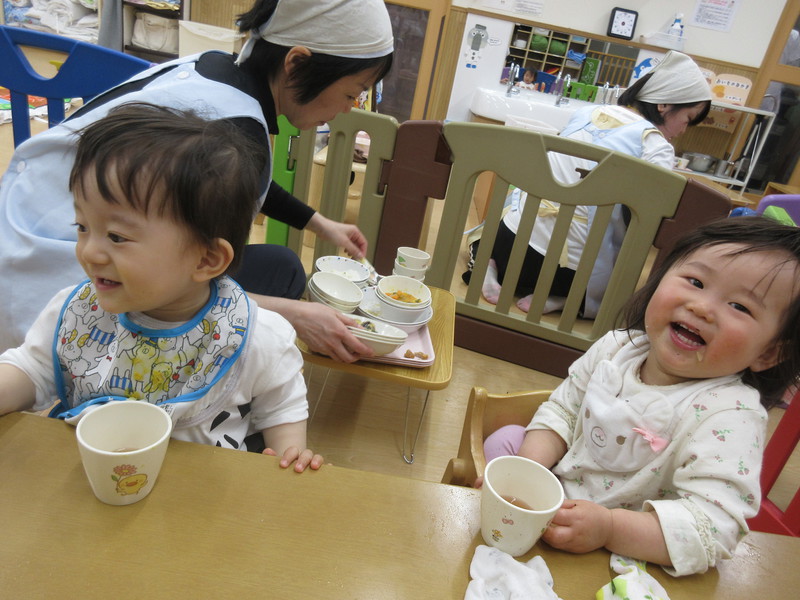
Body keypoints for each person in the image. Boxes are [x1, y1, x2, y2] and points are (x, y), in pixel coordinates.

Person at [0, 0, 393, 363]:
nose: (346, 110)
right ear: (297, 62)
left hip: (20, 243)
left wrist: (319, 223)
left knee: (277, 264)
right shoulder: (237, 129)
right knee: (283, 270)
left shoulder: (215, 69)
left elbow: (224, 179)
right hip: (61, 300)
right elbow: (189, 280)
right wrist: (296, 314)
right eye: (351, 93)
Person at [0, 103, 323, 472]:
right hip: (90, 489)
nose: (89, 251)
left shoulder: (255, 337)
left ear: (205, 260)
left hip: (198, 503)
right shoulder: (75, 311)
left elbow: (282, 406)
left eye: (117, 236)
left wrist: (289, 454)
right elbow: (32, 367)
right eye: (82, 226)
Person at [478, 216, 800, 576]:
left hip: (622, 552)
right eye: (695, 281)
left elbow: (714, 526)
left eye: (740, 306)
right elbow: (564, 411)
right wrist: (529, 471)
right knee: (507, 441)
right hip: (557, 496)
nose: (702, 307)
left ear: (769, 353)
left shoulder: (730, 415)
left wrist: (611, 528)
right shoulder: (617, 347)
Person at [464, 50, 712, 317]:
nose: (684, 130)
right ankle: (567, 299)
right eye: (687, 120)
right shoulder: (655, 147)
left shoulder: (589, 112)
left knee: (499, 228)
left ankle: (488, 264)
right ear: (664, 105)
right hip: (566, 273)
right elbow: (650, 221)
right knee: (621, 281)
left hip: (507, 244)